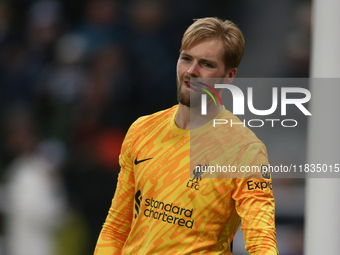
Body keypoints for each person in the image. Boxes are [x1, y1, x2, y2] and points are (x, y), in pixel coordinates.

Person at [94, 17, 278, 254]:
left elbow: (261, 242)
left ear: (229, 75)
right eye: (186, 58)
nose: (191, 71)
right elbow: (117, 227)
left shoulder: (244, 150)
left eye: (207, 64)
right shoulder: (142, 130)